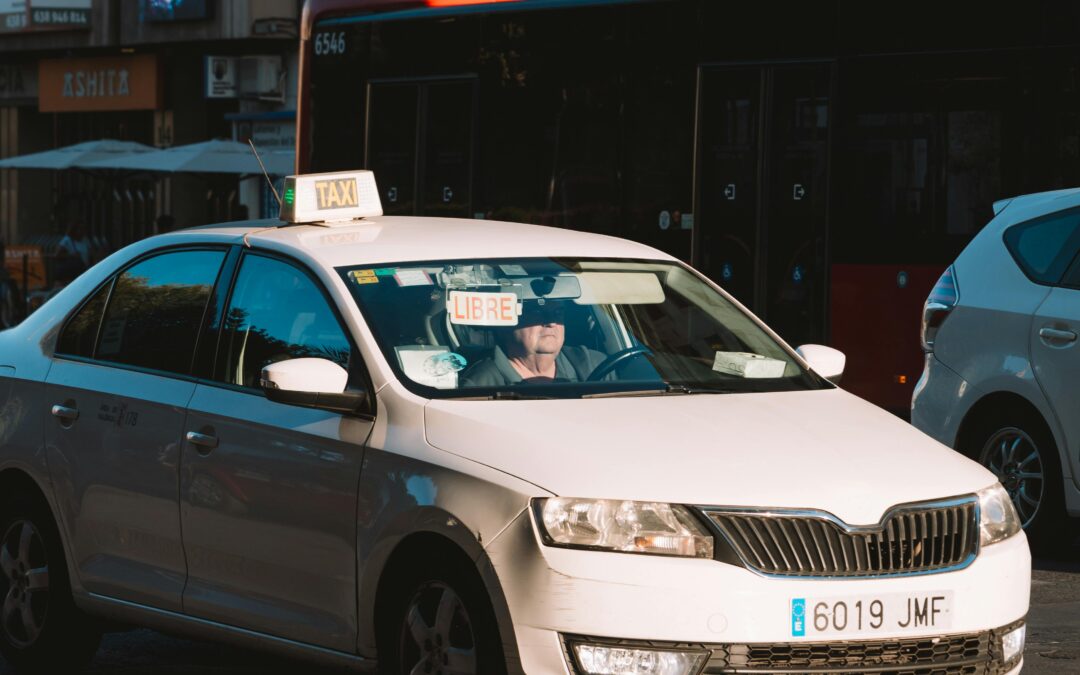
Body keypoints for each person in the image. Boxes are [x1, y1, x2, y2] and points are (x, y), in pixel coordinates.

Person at [461, 300, 606, 386]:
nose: (551, 322)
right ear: (505, 325)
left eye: (558, 313)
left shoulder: (593, 365)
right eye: (536, 312)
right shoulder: (481, 382)